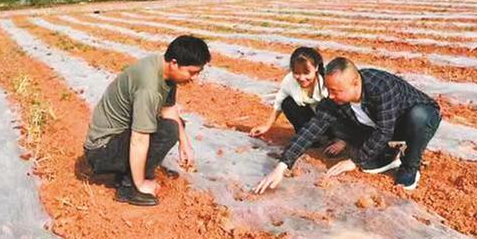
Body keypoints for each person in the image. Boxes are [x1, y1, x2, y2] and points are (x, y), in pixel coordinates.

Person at [254, 57, 441, 194]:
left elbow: (385, 129)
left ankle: (410, 166)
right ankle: (386, 156)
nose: (331, 96)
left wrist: (354, 161)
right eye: (329, 90)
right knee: (335, 123)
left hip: (410, 120)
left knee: (419, 116)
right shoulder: (335, 100)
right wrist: (282, 165)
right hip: (379, 123)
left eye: (336, 91)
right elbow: (312, 128)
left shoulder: (382, 86)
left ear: (355, 83)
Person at [83, 35, 211, 206]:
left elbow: (169, 109)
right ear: (174, 63)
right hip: (101, 151)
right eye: (192, 72)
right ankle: (130, 188)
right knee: (168, 130)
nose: (195, 78)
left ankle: (128, 173)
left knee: (176, 124)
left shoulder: (162, 68)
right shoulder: (149, 87)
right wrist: (141, 183)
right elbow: (139, 138)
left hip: (116, 139)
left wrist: (185, 144)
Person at [249, 47, 328, 137]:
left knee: (328, 103)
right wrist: (267, 126)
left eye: (306, 73)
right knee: (287, 103)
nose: (302, 78)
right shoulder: (289, 81)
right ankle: (308, 136)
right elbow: (279, 103)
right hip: (312, 119)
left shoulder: (327, 82)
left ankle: (334, 137)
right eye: (297, 73)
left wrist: (342, 138)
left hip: (330, 122)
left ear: (316, 67)